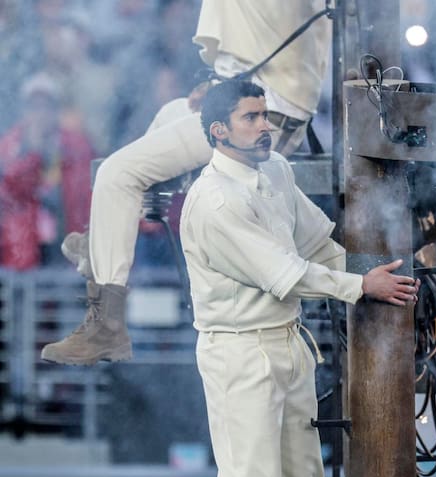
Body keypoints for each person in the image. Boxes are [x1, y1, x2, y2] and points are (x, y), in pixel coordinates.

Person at [181, 79, 418, 477]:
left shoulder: (277, 171)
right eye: (250, 118)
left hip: (288, 344)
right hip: (238, 353)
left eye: (265, 115)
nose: (265, 126)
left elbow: (317, 243)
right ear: (219, 131)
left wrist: (372, 272)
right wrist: (361, 286)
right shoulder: (214, 203)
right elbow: (285, 273)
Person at [41, 0, 332, 365]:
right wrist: (219, 87)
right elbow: (261, 45)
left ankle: (106, 329)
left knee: (118, 174)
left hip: (262, 117)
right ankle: (104, 243)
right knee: (169, 113)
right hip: (258, 104)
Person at [0, 72, 94, 270]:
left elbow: (89, 194)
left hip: (67, 242)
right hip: (21, 249)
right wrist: (33, 154)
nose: (40, 114)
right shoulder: (9, 148)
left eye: (47, 106)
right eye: (34, 107)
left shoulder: (77, 147)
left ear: (56, 111)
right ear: (23, 111)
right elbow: (9, 196)